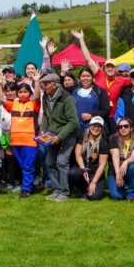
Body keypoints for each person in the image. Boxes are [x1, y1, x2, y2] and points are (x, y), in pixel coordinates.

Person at [0, 75, 39, 198]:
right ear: (18, 94)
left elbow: (38, 96)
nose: (23, 94)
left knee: (28, 165)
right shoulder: (14, 104)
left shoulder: (33, 104)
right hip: (15, 141)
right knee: (23, 165)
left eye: (25, 92)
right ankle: (30, 185)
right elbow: (2, 100)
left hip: (30, 141)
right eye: (21, 92)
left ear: (29, 93)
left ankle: (26, 189)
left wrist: (36, 81)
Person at [40, 73, 79, 201]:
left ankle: (65, 192)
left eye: (46, 83)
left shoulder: (67, 98)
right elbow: (46, 115)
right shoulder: (45, 96)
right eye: (42, 83)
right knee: (49, 163)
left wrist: (60, 137)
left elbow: (73, 122)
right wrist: (43, 130)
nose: (43, 86)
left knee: (62, 162)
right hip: (52, 135)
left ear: (55, 84)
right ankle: (56, 189)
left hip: (67, 135)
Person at [70, 116, 109, 200]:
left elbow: (102, 165)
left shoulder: (104, 143)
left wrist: (94, 182)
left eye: (99, 126)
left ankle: (90, 188)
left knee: (94, 197)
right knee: (72, 173)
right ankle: (83, 191)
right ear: (90, 126)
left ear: (102, 129)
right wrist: (83, 169)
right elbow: (78, 154)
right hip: (83, 169)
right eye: (94, 125)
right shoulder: (82, 137)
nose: (96, 128)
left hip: (95, 172)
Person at [108, 117, 134, 200]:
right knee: (117, 197)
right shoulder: (113, 138)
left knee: (133, 167)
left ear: (131, 128)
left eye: (126, 126)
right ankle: (124, 187)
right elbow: (115, 155)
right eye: (120, 127)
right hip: (114, 171)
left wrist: (125, 162)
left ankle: (131, 194)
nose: (123, 128)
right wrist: (118, 174)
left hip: (128, 170)